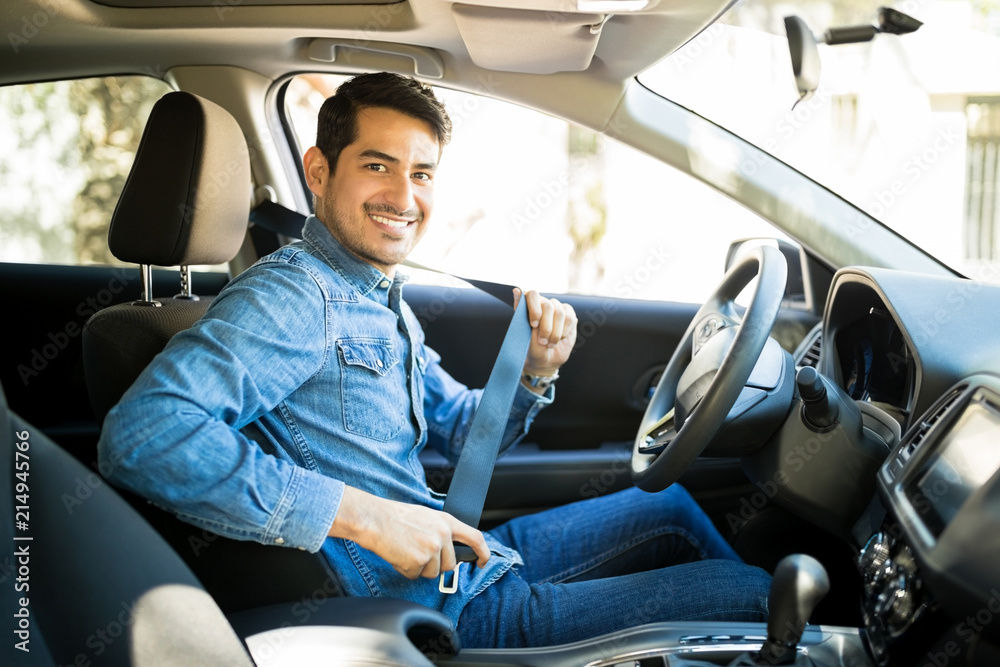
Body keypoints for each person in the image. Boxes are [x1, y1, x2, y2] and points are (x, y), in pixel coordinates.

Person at [98, 72, 770, 649]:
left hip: (460, 562)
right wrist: (369, 516)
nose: (403, 194)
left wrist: (536, 367)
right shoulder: (294, 294)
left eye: (420, 172)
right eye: (376, 165)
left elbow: (464, 430)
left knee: (674, 506)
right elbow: (144, 436)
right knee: (758, 596)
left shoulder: (375, 291)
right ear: (318, 171)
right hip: (435, 610)